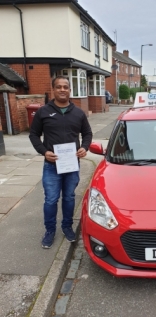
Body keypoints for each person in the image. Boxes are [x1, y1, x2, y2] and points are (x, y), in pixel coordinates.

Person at [29, 76, 93, 248]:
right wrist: (44, 152)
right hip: (52, 165)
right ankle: (50, 231)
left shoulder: (78, 112)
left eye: (65, 87)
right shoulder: (43, 112)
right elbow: (33, 135)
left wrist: (84, 147)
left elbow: (87, 134)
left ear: (69, 90)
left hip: (71, 165)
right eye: (59, 87)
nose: (62, 90)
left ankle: (67, 227)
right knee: (51, 199)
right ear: (53, 90)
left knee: (69, 197)